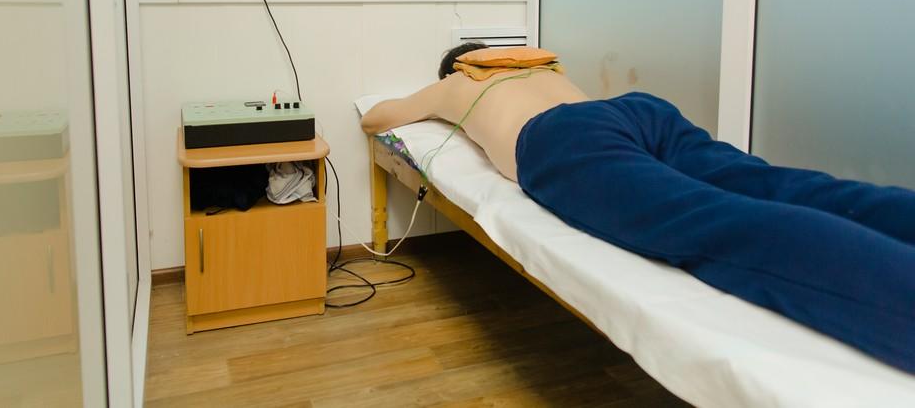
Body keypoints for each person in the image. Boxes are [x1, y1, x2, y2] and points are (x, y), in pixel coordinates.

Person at [360, 42, 915, 373]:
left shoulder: (459, 83)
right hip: (641, 111)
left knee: (714, 220)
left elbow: (378, 118)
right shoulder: (545, 69)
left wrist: (436, 98)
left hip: (562, 140)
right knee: (777, 185)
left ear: (462, 65)